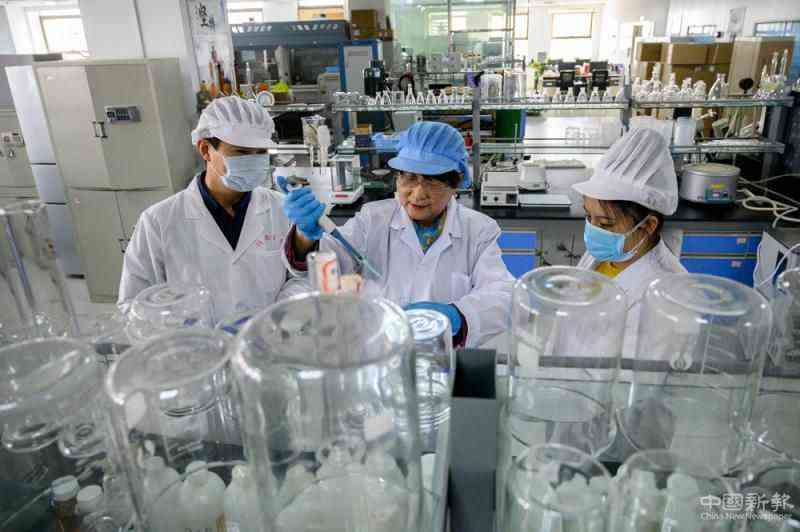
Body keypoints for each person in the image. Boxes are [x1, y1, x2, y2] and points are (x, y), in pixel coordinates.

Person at [280, 121, 514, 348]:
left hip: (442, 355)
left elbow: (503, 294)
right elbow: (325, 263)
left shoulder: (479, 230)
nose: (418, 194)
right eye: (409, 178)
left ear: (456, 183)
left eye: (432, 181)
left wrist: (458, 315)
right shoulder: (372, 219)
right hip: (379, 350)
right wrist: (305, 236)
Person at [118, 96, 306, 321]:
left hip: (266, 339)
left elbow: (303, 279)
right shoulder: (158, 221)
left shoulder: (283, 209)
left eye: (261, 152)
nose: (255, 160)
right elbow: (133, 304)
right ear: (205, 149)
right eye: (241, 152)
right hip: (197, 343)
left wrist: (276, 318)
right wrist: (182, 325)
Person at [571, 127, 686, 356]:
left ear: (648, 225)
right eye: (589, 216)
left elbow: (636, 373)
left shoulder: (668, 301)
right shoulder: (608, 252)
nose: (593, 230)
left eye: (605, 224)